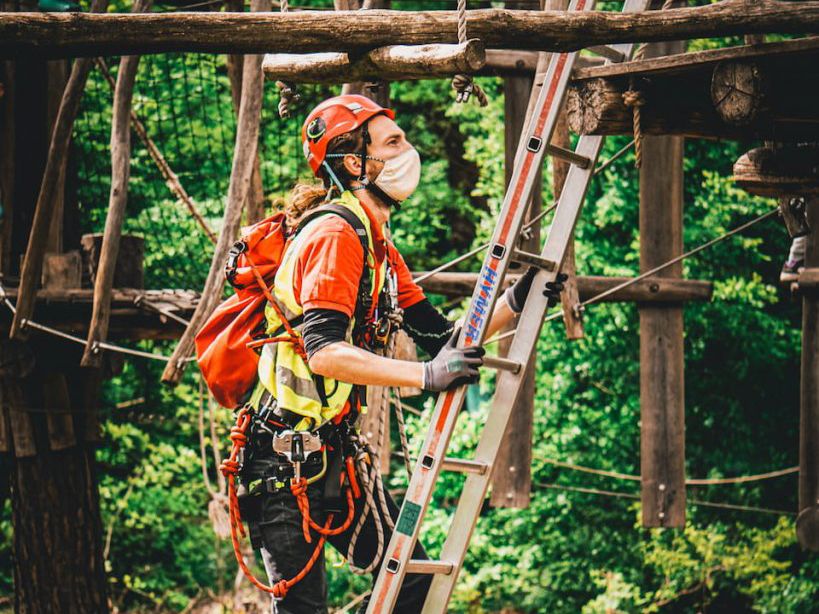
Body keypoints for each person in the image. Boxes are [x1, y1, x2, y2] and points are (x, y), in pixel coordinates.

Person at [238, 94, 562, 614]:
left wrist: (513, 302)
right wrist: (426, 377)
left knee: (413, 583)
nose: (409, 150)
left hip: (333, 455)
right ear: (354, 162)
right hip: (279, 462)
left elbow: (441, 340)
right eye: (393, 142)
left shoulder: (379, 247)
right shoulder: (334, 234)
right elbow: (323, 351)